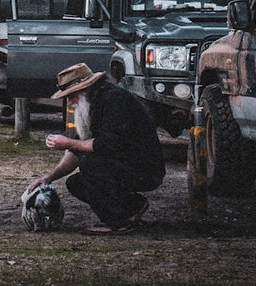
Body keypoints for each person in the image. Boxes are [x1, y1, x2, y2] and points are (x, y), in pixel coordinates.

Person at [26, 63, 166, 235]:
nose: (70, 103)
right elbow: (78, 149)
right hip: (125, 164)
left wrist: (68, 143)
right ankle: (132, 207)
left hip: (144, 168)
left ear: (85, 89)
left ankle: (118, 222)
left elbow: (106, 145)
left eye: (72, 96)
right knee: (76, 182)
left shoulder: (114, 100)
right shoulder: (95, 104)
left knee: (91, 163)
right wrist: (49, 178)